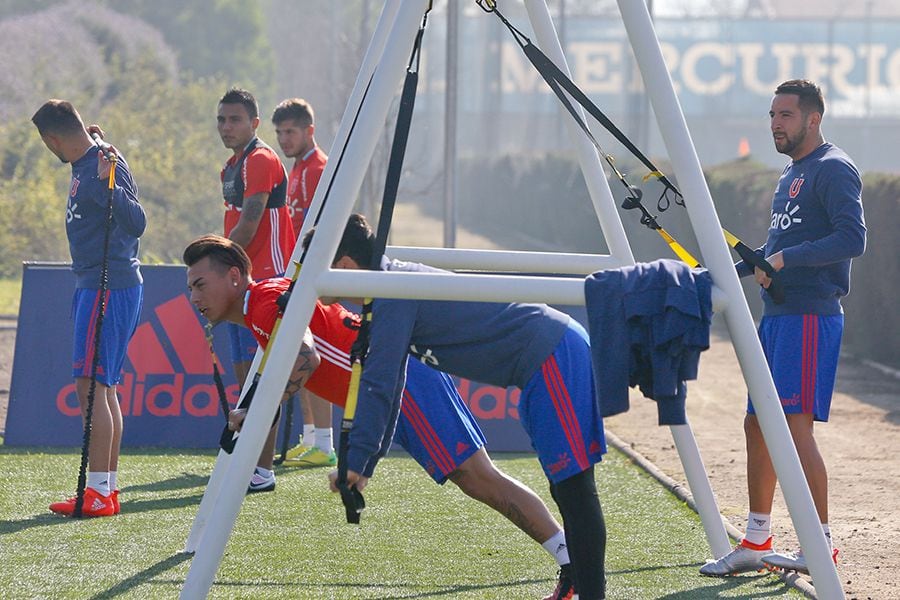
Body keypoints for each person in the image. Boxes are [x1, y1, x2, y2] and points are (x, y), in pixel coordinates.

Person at [183, 234, 578, 600]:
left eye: (200, 284)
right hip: (395, 387)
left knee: (478, 478)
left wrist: (255, 413)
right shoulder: (261, 305)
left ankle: (573, 562)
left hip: (401, 385)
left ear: (234, 277)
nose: (193, 296)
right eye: (189, 287)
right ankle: (572, 561)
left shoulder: (265, 302)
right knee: (476, 479)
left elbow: (305, 358)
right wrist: (254, 411)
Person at [316, 214, 608, 599]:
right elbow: (392, 387)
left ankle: (592, 592)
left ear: (345, 266)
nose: (308, 276)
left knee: (573, 489)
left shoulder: (391, 292)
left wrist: (356, 462)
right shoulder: (385, 291)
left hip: (554, 354)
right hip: (541, 362)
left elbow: (380, 385)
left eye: (314, 263)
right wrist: (362, 464)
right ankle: (581, 582)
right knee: (567, 490)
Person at [700, 79, 866, 577]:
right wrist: (720, 275)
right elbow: (775, 252)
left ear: (813, 118)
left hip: (811, 317)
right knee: (757, 424)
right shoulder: (791, 173)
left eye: (785, 115)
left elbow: (852, 238)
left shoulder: (833, 168)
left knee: (794, 431)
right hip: (774, 318)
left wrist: (785, 258)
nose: (775, 123)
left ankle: (821, 547)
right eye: (772, 114)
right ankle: (755, 539)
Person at [32, 100, 146, 517]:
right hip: (93, 284)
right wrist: (96, 139)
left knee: (91, 386)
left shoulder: (106, 164)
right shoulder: (89, 156)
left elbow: (137, 223)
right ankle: (104, 489)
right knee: (102, 386)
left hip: (108, 285)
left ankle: (99, 491)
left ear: (53, 139)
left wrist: (108, 184)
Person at [216, 88, 295, 419]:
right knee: (244, 368)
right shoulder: (232, 165)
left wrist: (215, 264)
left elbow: (248, 224)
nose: (226, 126)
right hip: (241, 277)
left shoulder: (260, 159)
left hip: (266, 279)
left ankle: (262, 469)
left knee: (261, 378)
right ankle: (249, 457)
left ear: (255, 123)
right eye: (221, 120)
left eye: (235, 119)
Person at [271, 97, 334, 468]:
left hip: (313, 272)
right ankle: (311, 437)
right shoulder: (297, 168)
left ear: (309, 130)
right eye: (279, 132)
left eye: (291, 131)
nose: (284, 139)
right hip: (297, 271)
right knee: (300, 352)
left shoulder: (317, 168)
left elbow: (323, 227)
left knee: (313, 354)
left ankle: (324, 442)